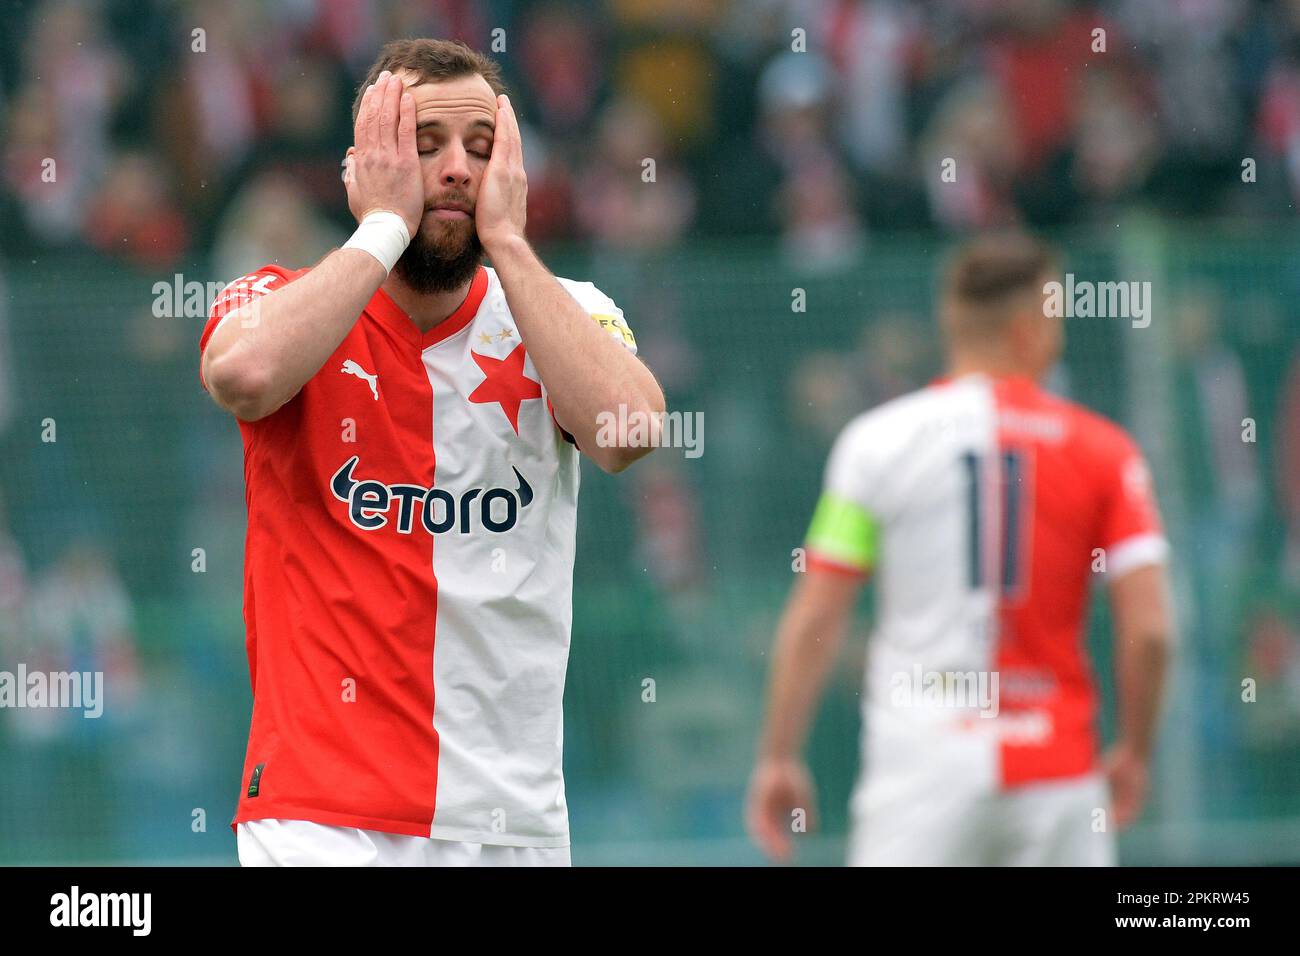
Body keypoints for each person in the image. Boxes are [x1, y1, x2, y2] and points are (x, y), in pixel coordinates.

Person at [199, 38, 664, 867]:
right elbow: (242, 374)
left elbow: (630, 432)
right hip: (321, 816)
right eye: (424, 145)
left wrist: (514, 245)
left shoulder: (571, 311)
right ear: (364, 164)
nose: (456, 170)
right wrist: (383, 224)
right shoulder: (276, 299)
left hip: (510, 821)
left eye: (481, 151)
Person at [747, 234, 1172, 866]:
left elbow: (817, 616)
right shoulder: (1106, 453)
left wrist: (779, 757)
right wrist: (1134, 752)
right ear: (1028, 330)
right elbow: (1152, 634)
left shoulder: (876, 444)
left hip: (922, 773)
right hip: (1056, 777)